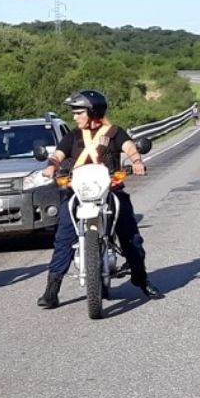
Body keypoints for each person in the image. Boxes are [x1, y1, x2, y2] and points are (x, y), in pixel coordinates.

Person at [37, 90, 161, 308]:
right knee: (63, 237)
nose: (75, 117)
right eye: (74, 113)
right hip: (77, 192)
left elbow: (129, 147)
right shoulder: (73, 136)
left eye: (79, 112)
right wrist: (51, 167)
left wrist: (136, 161)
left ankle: (141, 279)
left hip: (110, 190)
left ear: (93, 112)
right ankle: (52, 290)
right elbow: (58, 154)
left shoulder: (114, 133)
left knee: (131, 236)